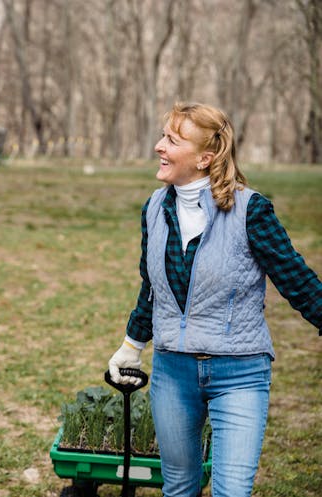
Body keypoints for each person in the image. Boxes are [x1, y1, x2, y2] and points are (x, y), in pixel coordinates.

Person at [107, 102, 321, 497]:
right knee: (179, 488)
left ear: (205, 158)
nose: (159, 146)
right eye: (162, 137)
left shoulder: (251, 211)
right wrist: (131, 347)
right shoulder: (153, 209)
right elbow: (151, 288)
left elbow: (297, 281)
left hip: (238, 373)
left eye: (172, 140)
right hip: (172, 373)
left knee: (232, 492)